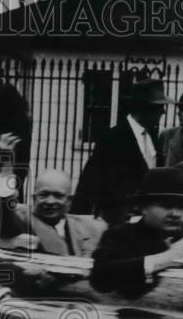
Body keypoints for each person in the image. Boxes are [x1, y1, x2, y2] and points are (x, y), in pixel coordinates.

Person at [72, 78, 173, 226]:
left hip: (146, 223)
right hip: (118, 223)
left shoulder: (152, 139)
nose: (163, 112)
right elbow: (90, 182)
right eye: (158, 107)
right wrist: (76, 223)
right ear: (143, 108)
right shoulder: (113, 138)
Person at [0, 132, 105, 257]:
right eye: (43, 195)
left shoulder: (89, 227)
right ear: (34, 198)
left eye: (58, 195)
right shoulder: (22, 221)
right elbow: (2, 215)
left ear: (69, 201)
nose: (50, 201)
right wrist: (6, 165)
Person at [90, 167, 183, 299]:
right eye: (167, 206)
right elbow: (101, 277)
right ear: (143, 207)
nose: (175, 214)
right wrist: (167, 258)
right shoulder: (119, 235)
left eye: (180, 206)